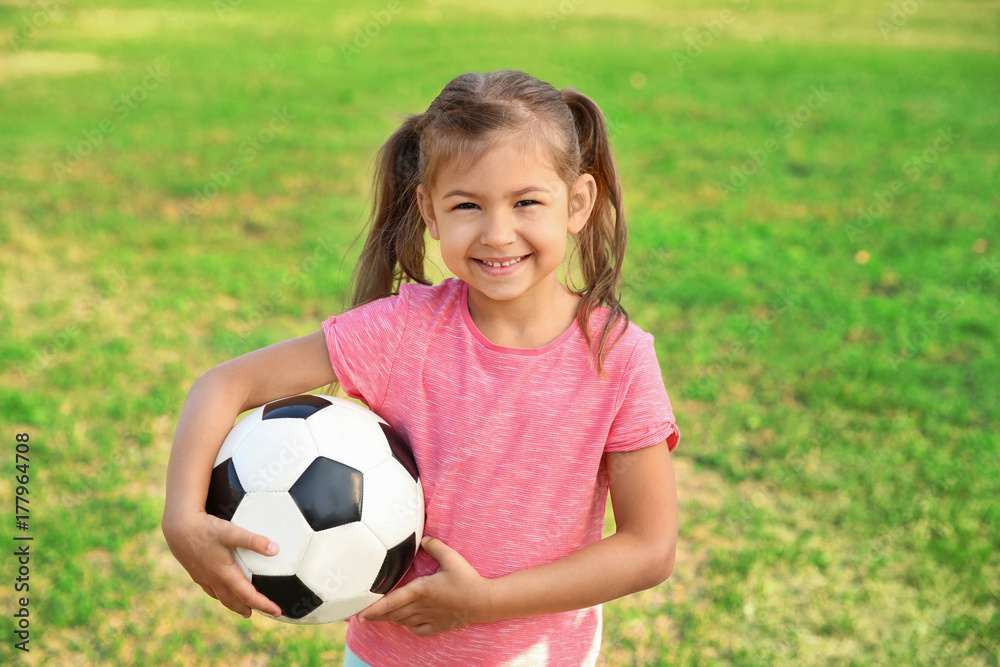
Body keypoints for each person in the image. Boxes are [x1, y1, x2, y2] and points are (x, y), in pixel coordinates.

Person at [162, 69, 680, 667]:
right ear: (429, 213)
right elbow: (225, 384)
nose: (497, 233)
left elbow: (649, 548)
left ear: (578, 203)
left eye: (527, 202)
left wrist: (482, 603)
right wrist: (182, 520)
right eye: (467, 205)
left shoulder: (617, 357)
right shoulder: (402, 332)